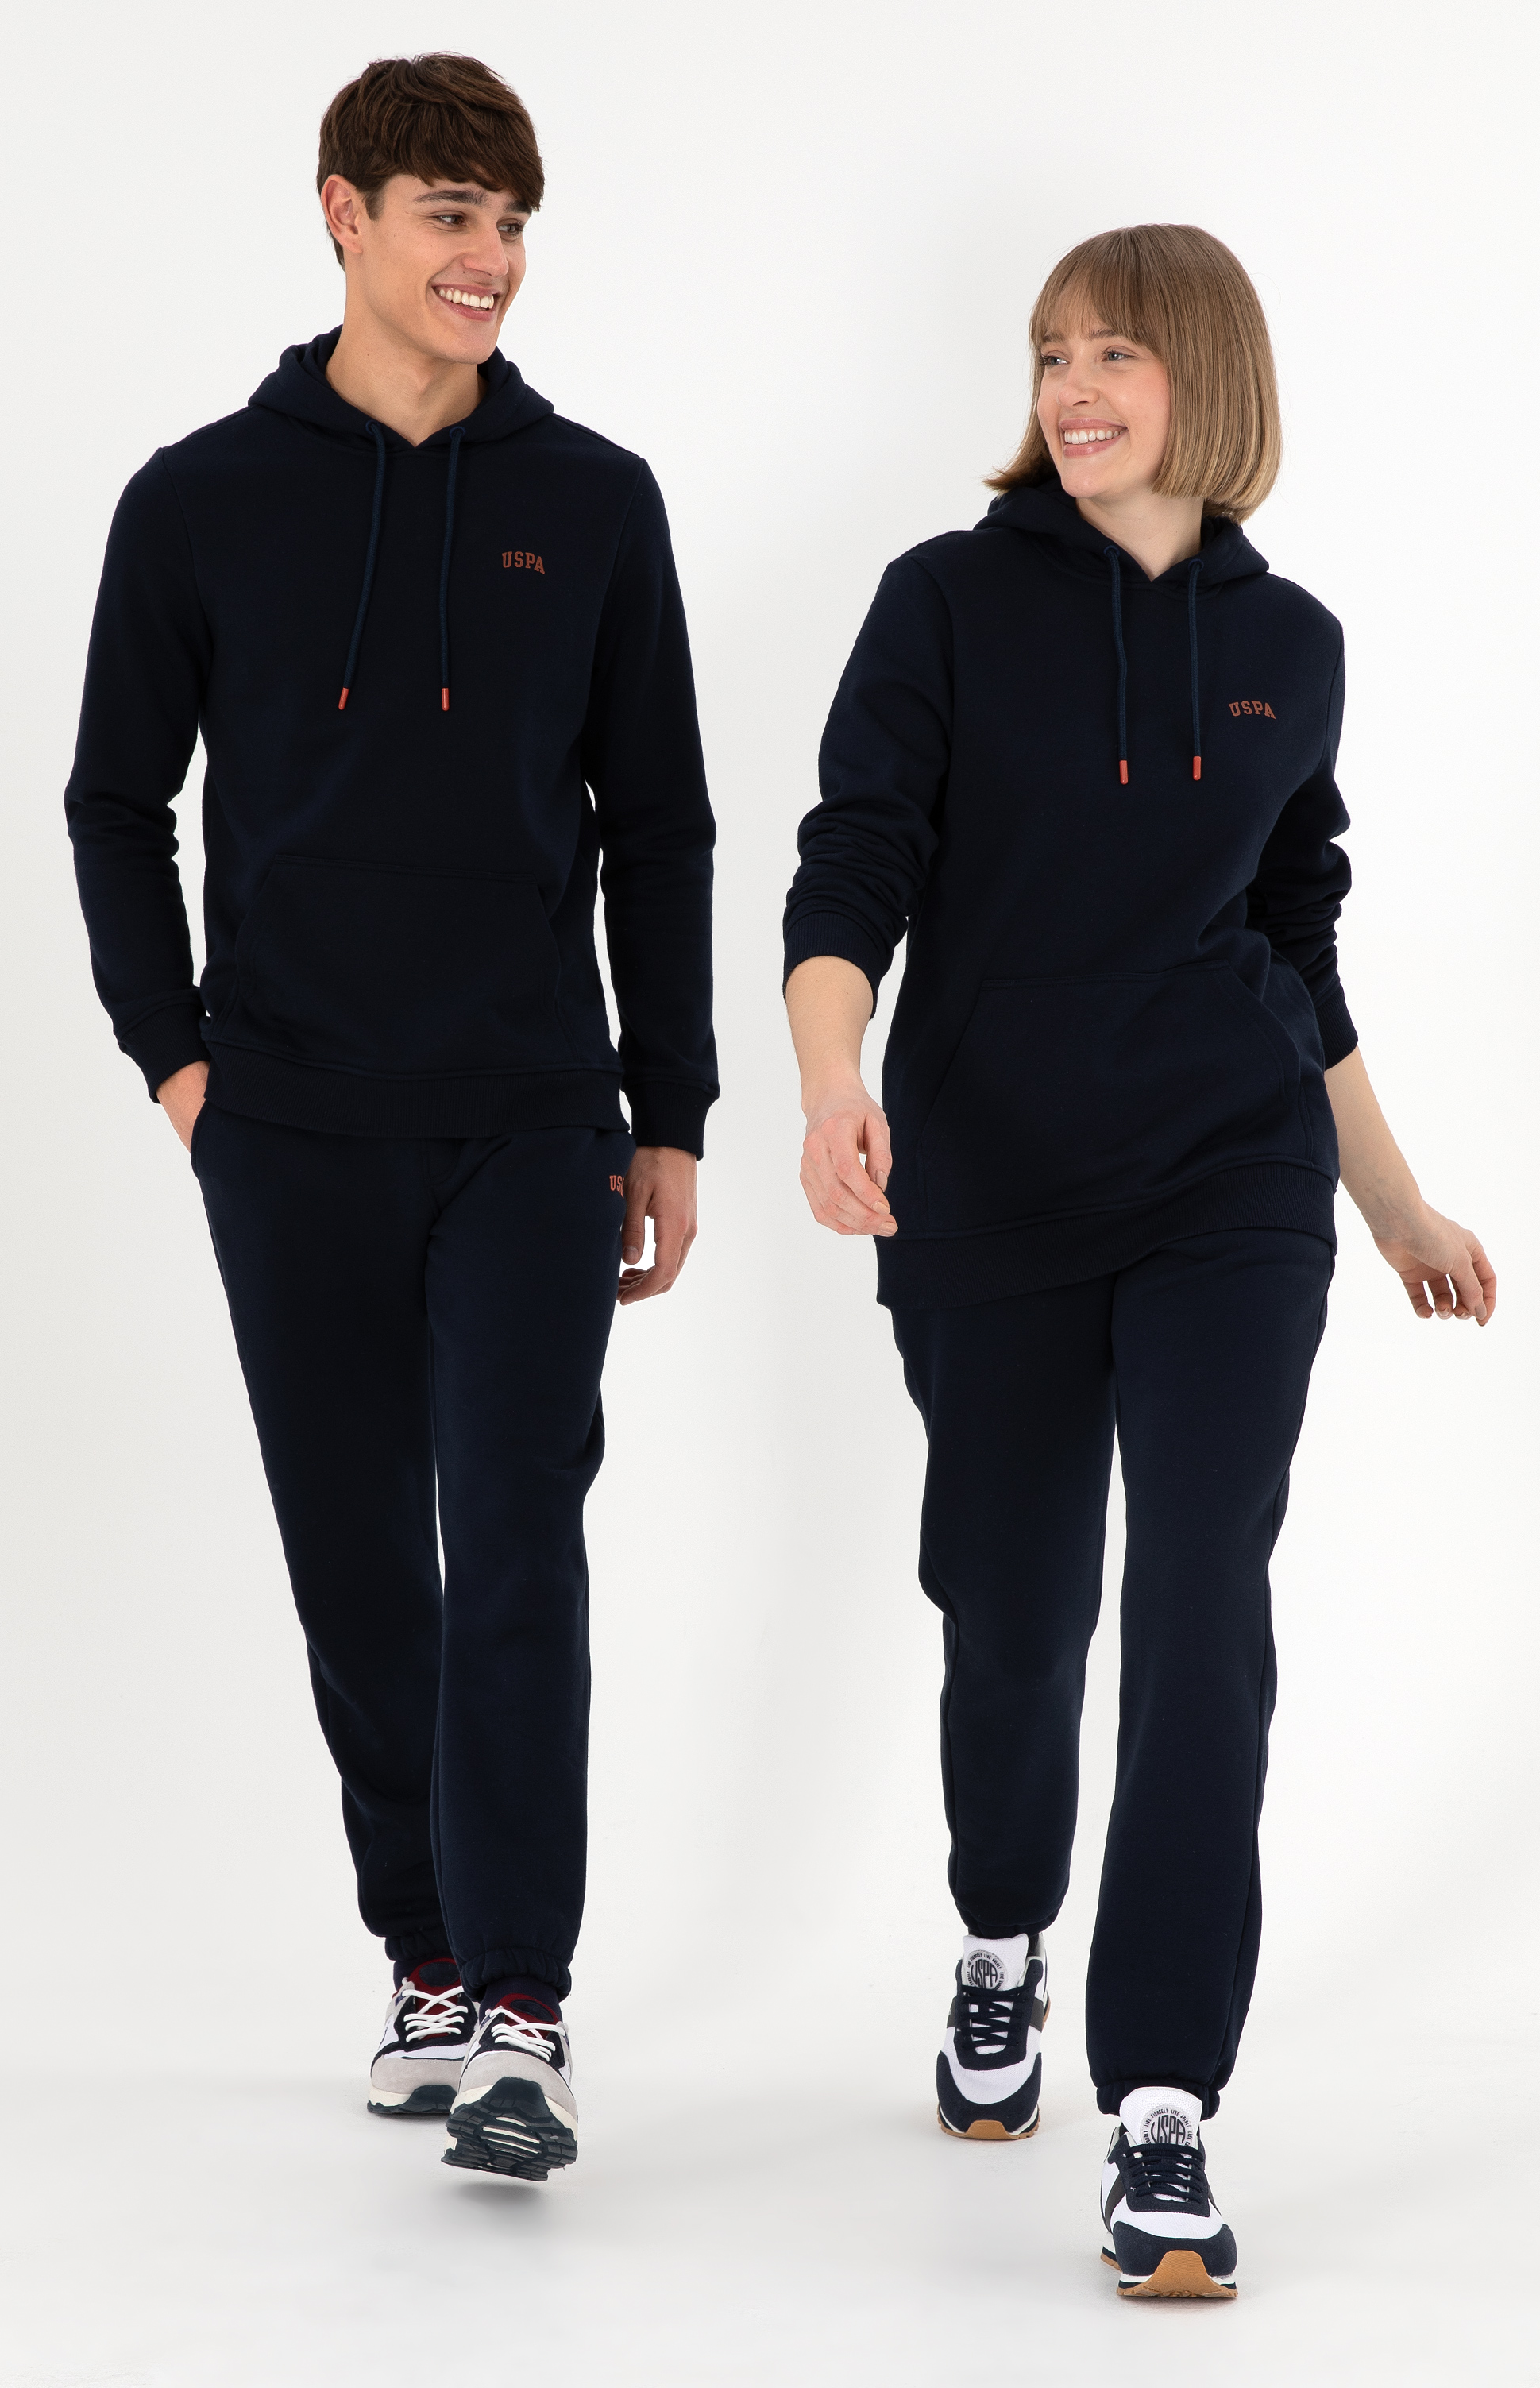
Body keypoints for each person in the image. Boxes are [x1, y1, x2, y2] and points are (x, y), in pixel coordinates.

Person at [782, 222, 1493, 2297]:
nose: (1072, 389)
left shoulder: (1294, 642)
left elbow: (1293, 942)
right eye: (1049, 355)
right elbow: (852, 865)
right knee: (1012, 1614)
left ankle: (1164, 2099)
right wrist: (832, 1082)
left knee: (1199, 1603)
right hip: (989, 1182)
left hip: (1229, 1186)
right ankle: (1000, 1928)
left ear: (1209, 376)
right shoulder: (942, 599)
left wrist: (1387, 1198)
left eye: (1114, 353)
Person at [66, 52, 717, 2184]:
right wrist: (180, 1059)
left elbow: (661, 825)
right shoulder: (197, 499)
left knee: (516, 1538)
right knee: (356, 1558)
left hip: (532, 1114)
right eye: (450, 215)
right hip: (290, 1120)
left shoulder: (594, 501)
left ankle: (522, 2004)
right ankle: (424, 1955)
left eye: (511, 223)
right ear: (342, 214)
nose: (489, 259)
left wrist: (671, 1110)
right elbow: (114, 802)